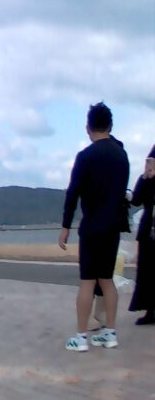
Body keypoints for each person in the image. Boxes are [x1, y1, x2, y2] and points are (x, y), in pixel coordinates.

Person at [59, 102, 130, 351]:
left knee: (87, 282)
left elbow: (73, 193)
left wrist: (65, 226)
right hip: (113, 227)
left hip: (91, 228)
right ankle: (110, 333)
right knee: (107, 280)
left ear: (88, 127)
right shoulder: (121, 155)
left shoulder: (85, 157)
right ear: (110, 125)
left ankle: (81, 337)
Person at [128, 149, 155, 325]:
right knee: (147, 270)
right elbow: (136, 200)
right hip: (148, 229)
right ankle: (150, 310)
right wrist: (145, 179)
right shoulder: (145, 179)